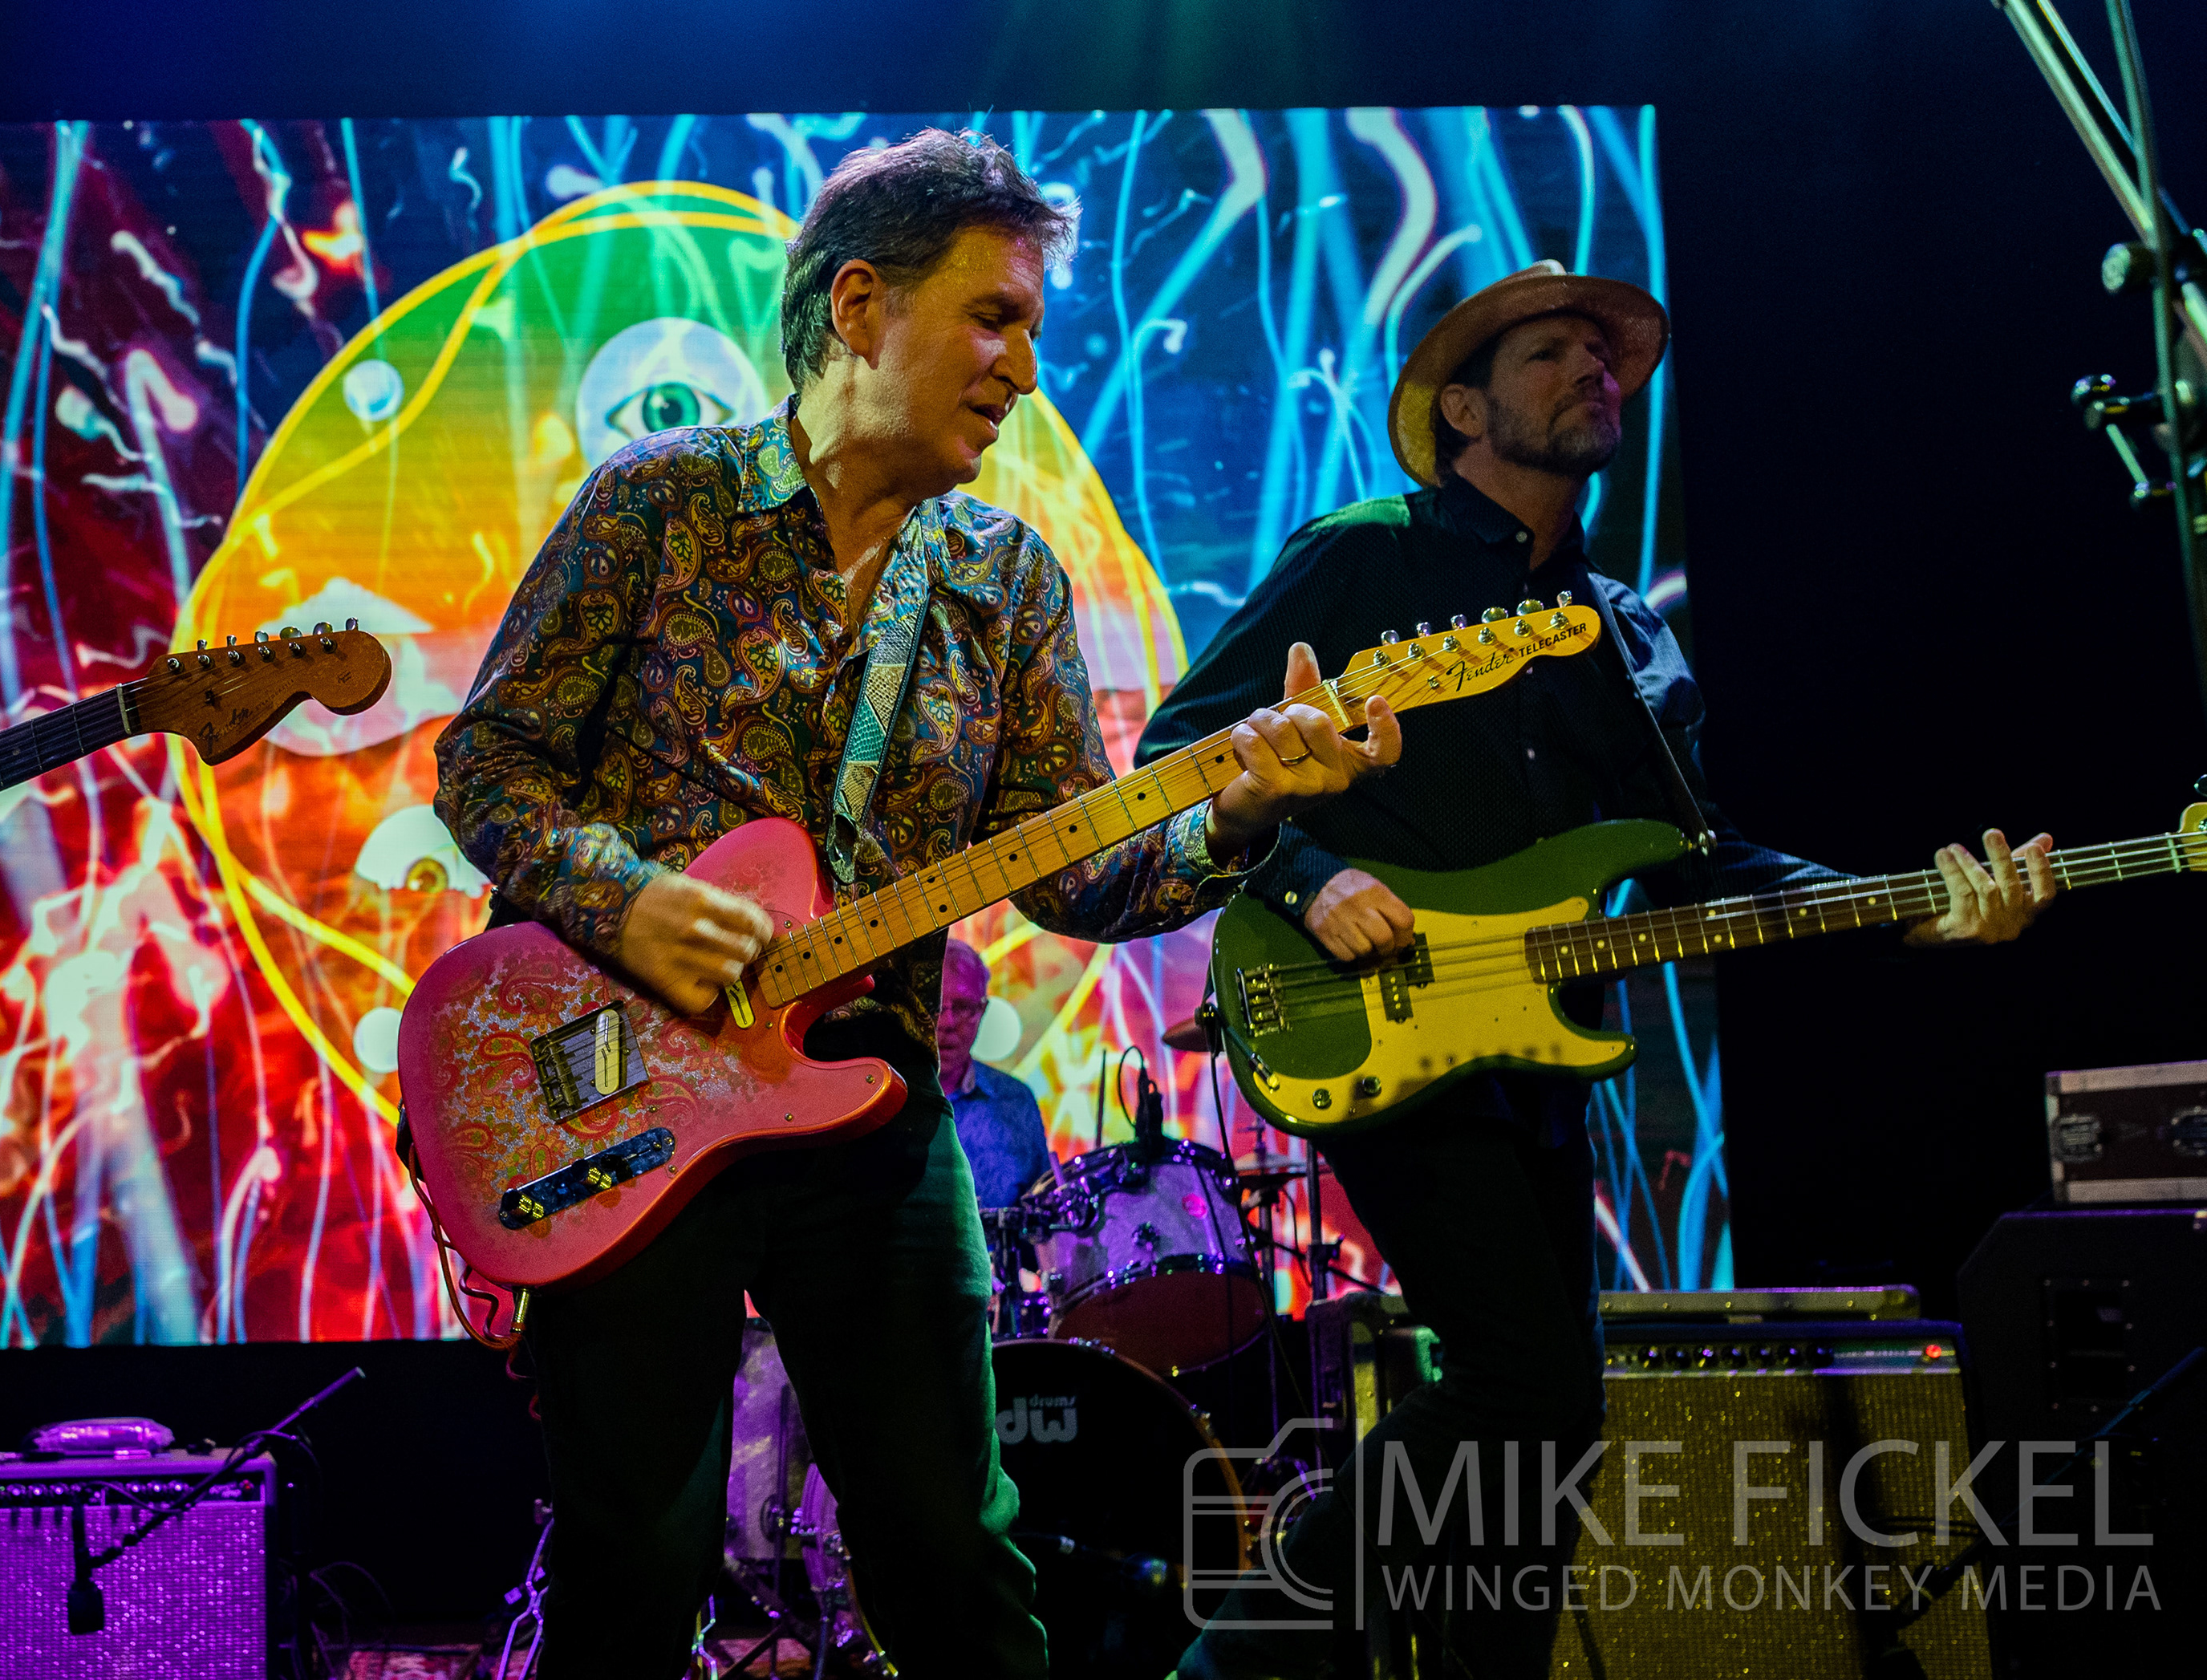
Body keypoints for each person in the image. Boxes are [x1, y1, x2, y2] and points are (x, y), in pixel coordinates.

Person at [429, 128, 1399, 1679]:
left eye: (1036, 328)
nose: (1026, 369)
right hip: (622, 1107)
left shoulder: (1005, 579)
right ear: (860, 305)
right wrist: (633, 902)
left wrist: (1246, 807)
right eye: (994, 316)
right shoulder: (657, 504)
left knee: (952, 1548)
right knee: (635, 1557)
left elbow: (1078, 868)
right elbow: (488, 762)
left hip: (870, 1116)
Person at [1138, 262, 2059, 1679]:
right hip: (1369, 1022)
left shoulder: (1623, 629)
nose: (1596, 370)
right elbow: (1176, 757)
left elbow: (1699, 858)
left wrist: (1910, 911)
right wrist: (1311, 876)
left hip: (1540, 1053)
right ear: (1462, 409)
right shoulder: (1363, 556)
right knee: (1526, 1380)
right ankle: (1235, 1658)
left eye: (1606, 354)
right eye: (1553, 352)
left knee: (1554, 1421)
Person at [935, 936, 1052, 1210]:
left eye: (963, 1007)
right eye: (935, 1006)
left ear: (983, 1011)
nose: (947, 1022)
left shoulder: (1016, 1101)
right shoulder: (880, 1098)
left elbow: (1044, 1212)